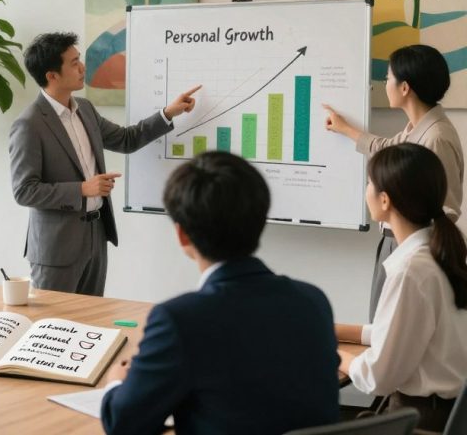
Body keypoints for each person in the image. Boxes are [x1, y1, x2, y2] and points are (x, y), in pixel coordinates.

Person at [101, 152, 339, 435]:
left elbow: (123, 424)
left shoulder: (180, 320)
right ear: (260, 221)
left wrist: (116, 382)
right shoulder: (313, 301)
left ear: (182, 235)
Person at [9, 31, 200, 296]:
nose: (82, 67)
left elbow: (126, 139)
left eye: (80, 59)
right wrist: (82, 189)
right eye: (74, 63)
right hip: (56, 248)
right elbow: (24, 190)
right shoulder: (29, 124)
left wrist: (168, 113)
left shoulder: (85, 109)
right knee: (53, 328)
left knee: (90, 325)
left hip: (96, 237)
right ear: (51, 75)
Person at [324, 44, 464, 320]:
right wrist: (346, 129)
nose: (384, 84)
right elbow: (386, 147)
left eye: (388, 78)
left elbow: (445, 207)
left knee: (389, 328)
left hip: (412, 247)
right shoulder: (417, 128)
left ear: (404, 88)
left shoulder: (436, 138)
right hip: (396, 242)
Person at [335, 143, 467, 431]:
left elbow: (378, 378)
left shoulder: (411, 271)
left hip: (423, 420)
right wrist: (341, 331)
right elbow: (409, 331)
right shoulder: (437, 253)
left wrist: (331, 352)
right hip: (447, 415)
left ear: (385, 200)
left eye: (369, 182)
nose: (366, 188)